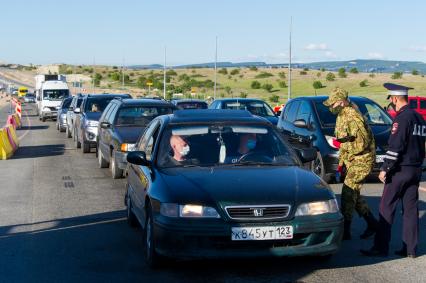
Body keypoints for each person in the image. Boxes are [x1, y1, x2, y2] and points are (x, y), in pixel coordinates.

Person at [361, 83, 425, 258]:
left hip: (399, 170)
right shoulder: (419, 118)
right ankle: (410, 249)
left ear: (395, 98)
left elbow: (396, 145)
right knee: (411, 210)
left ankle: (380, 247)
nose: (392, 103)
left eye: (392, 100)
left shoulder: (402, 118)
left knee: (386, 208)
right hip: (415, 169)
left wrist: (385, 168)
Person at [323, 87, 378, 240]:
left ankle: (345, 230)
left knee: (348, 192)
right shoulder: (342, 115)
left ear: (341, 102)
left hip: (362, 159)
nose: (331, 107)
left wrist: (339, 144)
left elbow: (361, 144)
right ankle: (373, 224)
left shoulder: (352, 116)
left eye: (333, 104)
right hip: (352, 160)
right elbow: (347, 138)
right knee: (354, 195)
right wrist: (341, 162)